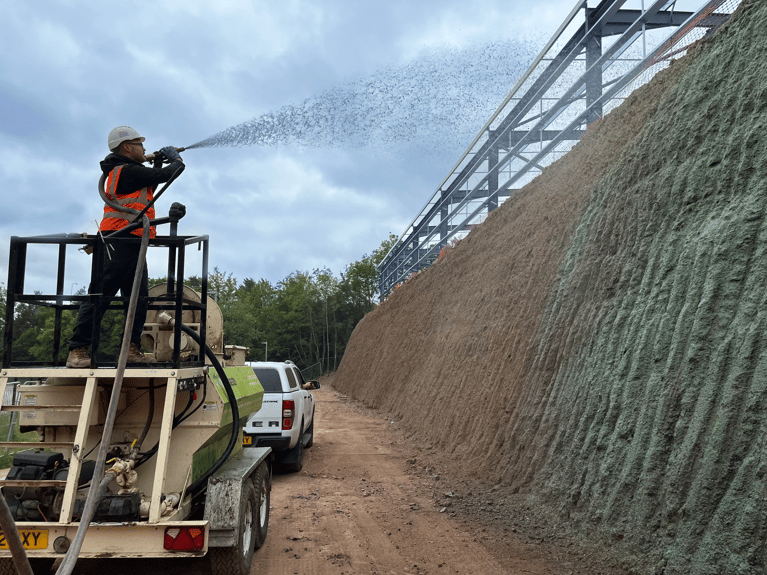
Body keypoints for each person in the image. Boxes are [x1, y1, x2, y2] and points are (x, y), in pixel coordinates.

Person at [66, 126, 186, 368]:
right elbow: (166, 176)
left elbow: (150, 183)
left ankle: (130, 349)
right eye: (139, 144)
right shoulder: (125, 171)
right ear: (127, 148)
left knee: (138, 299)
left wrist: (158, 163)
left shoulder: (130, 172)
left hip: (133, 241)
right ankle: (77, 351)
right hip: (117, 241)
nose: (144, 148)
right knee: (99, 297)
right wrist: (176, 159)